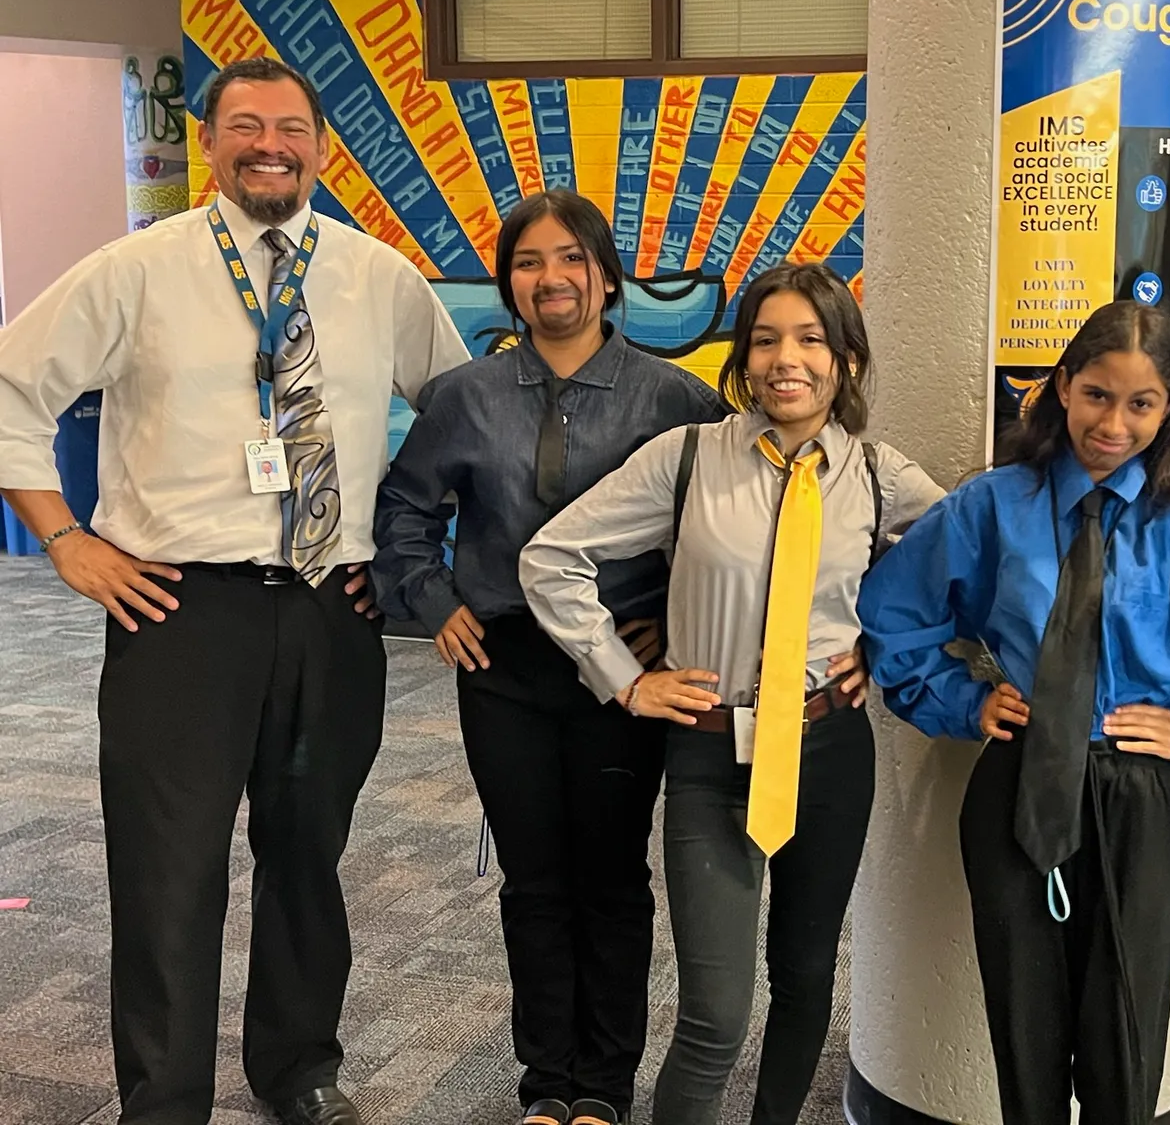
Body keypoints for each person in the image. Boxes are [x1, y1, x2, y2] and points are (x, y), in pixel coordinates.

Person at [0, 56, 470, 1125]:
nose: (271, 145)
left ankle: (298, 1066)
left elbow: (456, 419)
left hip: (332, 609)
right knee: (170, 870)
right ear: (209, 140)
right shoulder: (137, 269)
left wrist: (414, 562)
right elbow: (11, 383)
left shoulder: (378, 277)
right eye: (247, 125)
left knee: (309, 856)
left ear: (320, 146)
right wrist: (64, 540)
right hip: (179, 612)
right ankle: (162, 1100)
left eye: (292, 128)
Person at [855, 302, 1170, 1125]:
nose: (1113, 423)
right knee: (1023, 1026)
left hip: (1140, 794)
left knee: (1127, 1029)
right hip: (1019, 782)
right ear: (1062, 388)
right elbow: (895, 620)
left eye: (1140, 403)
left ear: (1169, 410)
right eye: (1096, 395)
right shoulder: (993, 506)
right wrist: (963, 703)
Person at [522, 262, 943, 1125]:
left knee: (804, 983)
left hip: (829, 750)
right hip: (712, 753)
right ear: (744, 359)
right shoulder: (687, 460)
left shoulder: (878, 476)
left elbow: (965, 570)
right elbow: (550, 559)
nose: (786, 359)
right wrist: (625, 680)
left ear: (848, 362)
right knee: (714, 1015)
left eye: (811, 339)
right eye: (765, 339)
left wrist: (887, 649)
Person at [370, 189, 727, 1125]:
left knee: (611, 879)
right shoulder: (465, 396)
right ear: (510, 285)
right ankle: (546, 1086)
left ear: (607, 279)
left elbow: (729, 524)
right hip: (505, 669)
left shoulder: (675, 396)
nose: (550, 278)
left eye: (571, 258)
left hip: (624, 676)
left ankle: (603, 1087)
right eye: (529, 263)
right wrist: (436, 601)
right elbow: (405, 512)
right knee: (533, 881)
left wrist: (675, 630)